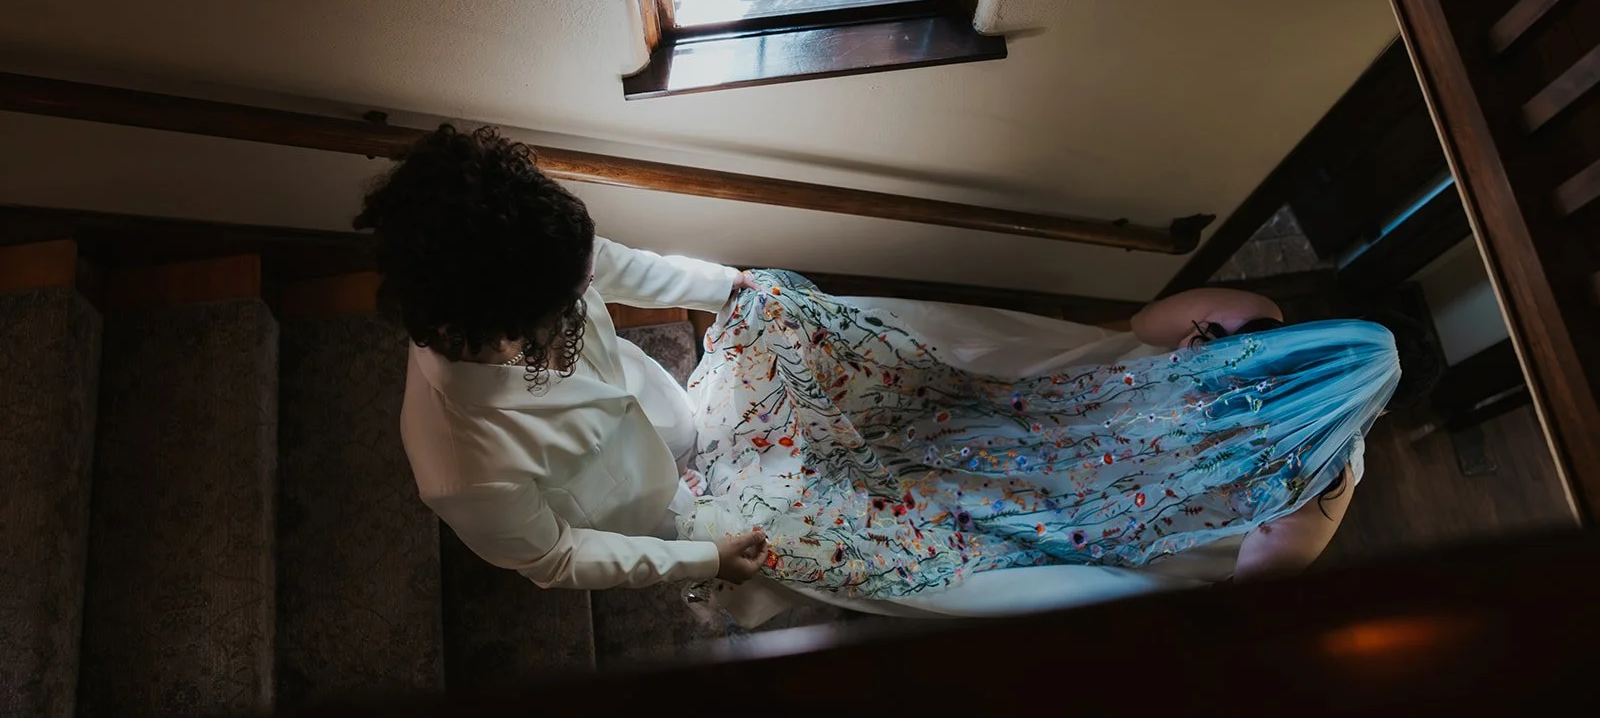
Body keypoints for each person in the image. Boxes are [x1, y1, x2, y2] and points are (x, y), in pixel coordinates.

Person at [678, 273, 1441, 619]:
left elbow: (1146, 324)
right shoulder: (1321, 495)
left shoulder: (1251, 320)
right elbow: (1243, 590)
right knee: (943, 496)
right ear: (1376, 414)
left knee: (941, 420)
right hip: (1080, 501)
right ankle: (782, 497)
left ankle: (793, 451)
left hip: (1057, 418)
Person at [356, 124, 769, 591]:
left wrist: (715, 286)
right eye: (580, 287)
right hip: (628, 507)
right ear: (514, 318)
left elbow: (610, 262)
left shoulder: (539, 245)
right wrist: (702, 559)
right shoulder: (462, 470)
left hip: (654, 407)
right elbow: (556, 556)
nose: (593, 276)